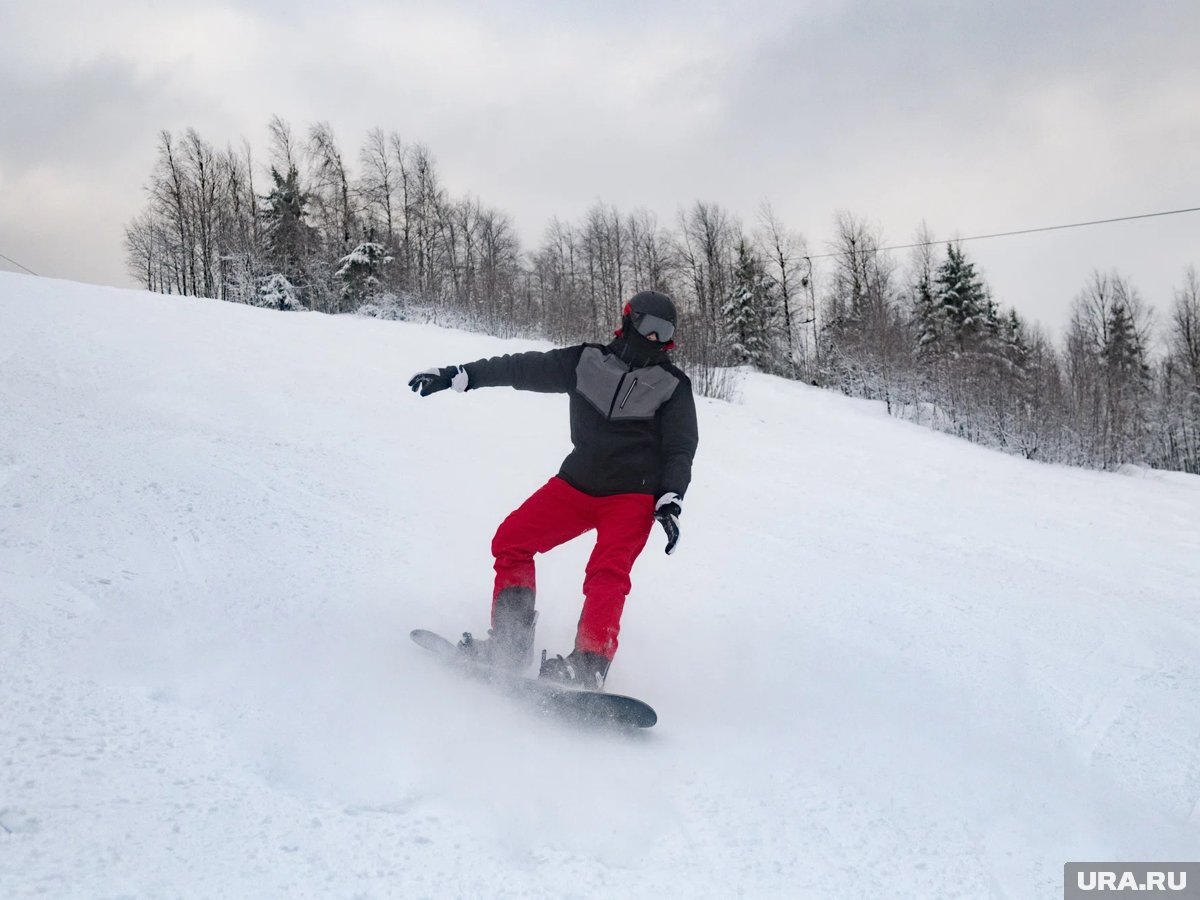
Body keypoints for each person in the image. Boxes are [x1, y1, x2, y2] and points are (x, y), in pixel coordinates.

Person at [407, 290, 699, 690]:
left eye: (664, 332)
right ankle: (509, 646)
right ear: (629, 319)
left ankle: (588, 665)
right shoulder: (585, 362)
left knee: (607, 574)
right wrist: (464, 374)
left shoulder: (673, 386)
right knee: (512, 540)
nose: (653, 339)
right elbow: (523, 368)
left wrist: (671, 498)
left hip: (632, 496)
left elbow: (681, 448)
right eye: (648, 326)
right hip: (577, 484)